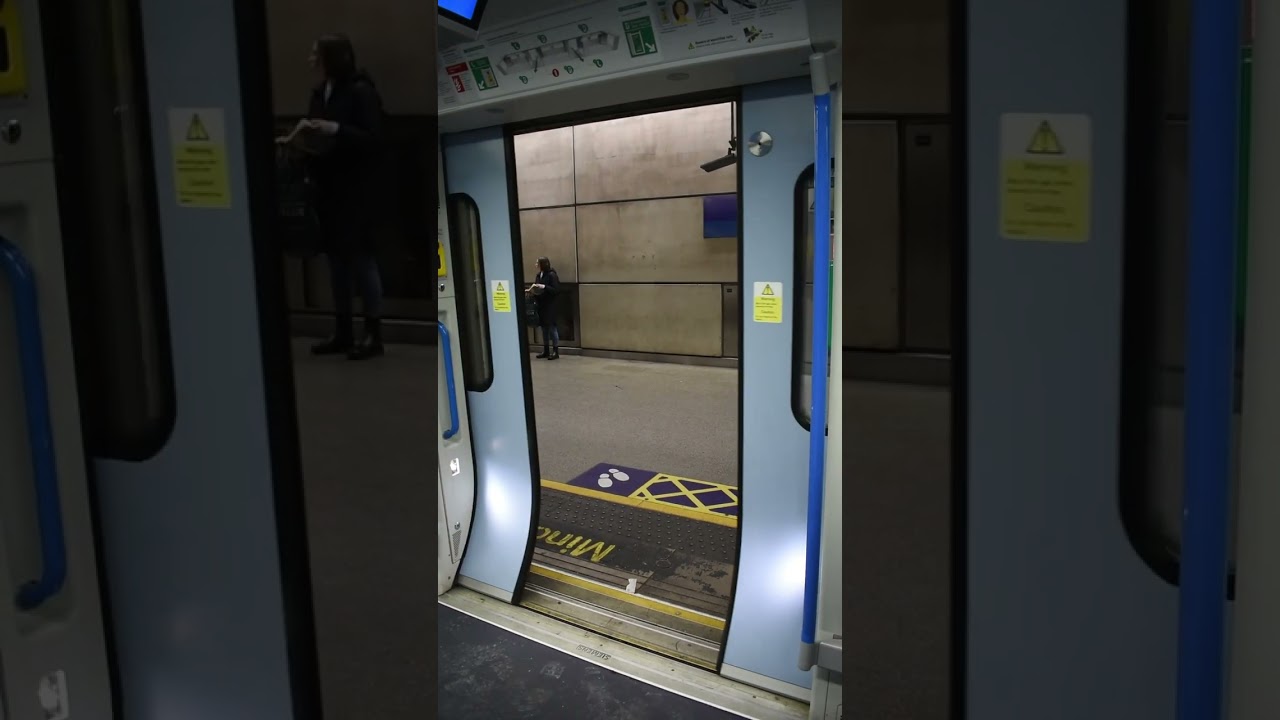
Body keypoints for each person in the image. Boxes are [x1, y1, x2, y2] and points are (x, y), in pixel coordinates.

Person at [278, 33, 386, 360]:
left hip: (356, 190)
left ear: (331, 58)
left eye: (316, 54)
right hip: (327, 188)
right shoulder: (318, 92)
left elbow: (373, 138)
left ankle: (373, 332)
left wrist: (334, 129)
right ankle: (343, 329)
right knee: (336, 263)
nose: (311, 60)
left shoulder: (360, 91)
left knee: (362, 261)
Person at [528, 257, 561, 360]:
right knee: (544, 329)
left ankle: (555, 351)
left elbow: (556, 290)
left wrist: (544, 287)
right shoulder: (538, 275)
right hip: (541, 305)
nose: (536, 264)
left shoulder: (552, 275)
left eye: (538, 263)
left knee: (552, 328)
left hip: (550, 305)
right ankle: (546, 350)